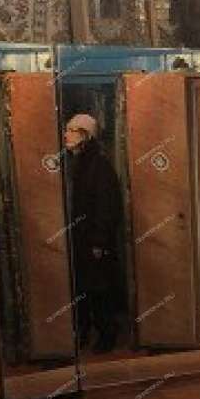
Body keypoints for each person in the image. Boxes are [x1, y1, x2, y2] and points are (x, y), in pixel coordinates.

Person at [63, 114, 122, 354]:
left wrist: (99, 240)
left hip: (93, 241)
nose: (66, 134)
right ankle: (84, 331)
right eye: (67, 129)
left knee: (99, 288)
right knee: (82, 288)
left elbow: (107, 206)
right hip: (78, 238)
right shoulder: (73, 162)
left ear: (86, 135)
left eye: (72, 130)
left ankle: (107, 334)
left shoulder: (98, 165)